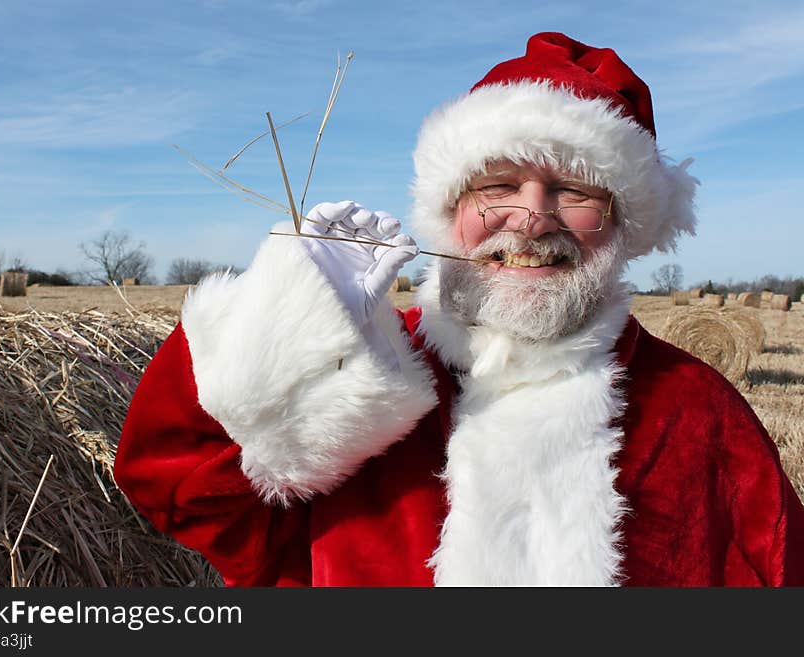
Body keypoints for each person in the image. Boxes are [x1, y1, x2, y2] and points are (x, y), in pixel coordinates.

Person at [114, 32, 804, 586]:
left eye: (575, 190)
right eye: (498, 184)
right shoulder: (368, 367)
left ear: (621, 225)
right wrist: (284, 329)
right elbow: (174, 484)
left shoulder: (698, 412)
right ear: (450, 212)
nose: (532, 218)